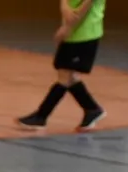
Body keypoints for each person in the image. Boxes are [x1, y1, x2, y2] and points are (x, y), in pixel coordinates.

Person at [17, 0, 106, 132]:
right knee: (69, 76)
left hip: (84, 33)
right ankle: (92, 109)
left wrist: (68, 27)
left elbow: (84, 7)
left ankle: (41, 116)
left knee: (65, 77)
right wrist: (65, 9)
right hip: (73, 33)